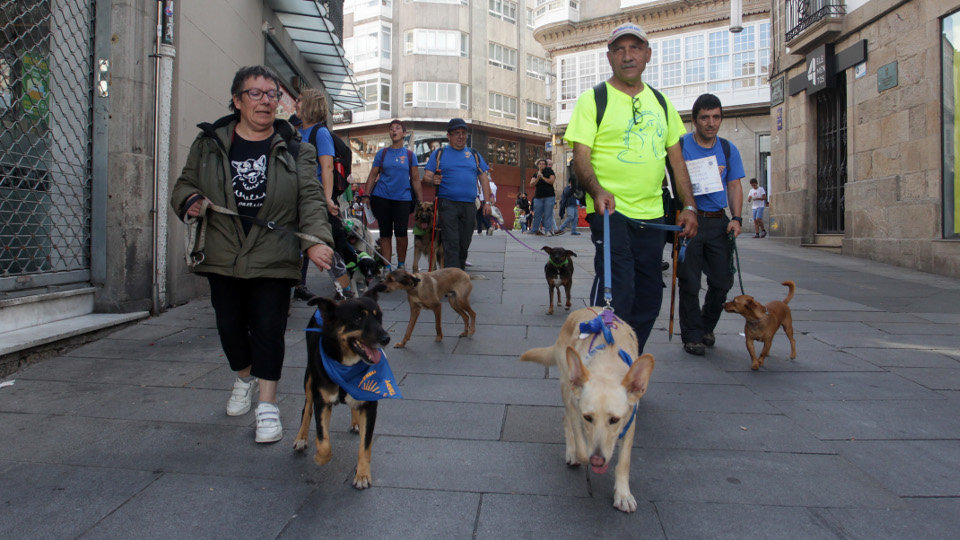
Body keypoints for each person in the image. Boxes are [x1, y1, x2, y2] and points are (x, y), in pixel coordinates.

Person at [171, 65, 334, 443]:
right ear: (237, 100)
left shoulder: (297, 149)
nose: (265, 101)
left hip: (273, 252)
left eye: (272, 95)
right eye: (256, 94)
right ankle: (244, 377)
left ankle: (267, 405)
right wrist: (190, 200)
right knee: (230, 327)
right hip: (223, 249)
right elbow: (184, 185)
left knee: (268, 328)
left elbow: (309, 199)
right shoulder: (210, 143)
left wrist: (315, 240)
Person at [563, 23, 698, 352]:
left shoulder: (662, 104)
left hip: (653, 215)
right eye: (619, 50)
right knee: (617, 292)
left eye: (635, 48)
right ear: (609, 57)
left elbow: (677, 162)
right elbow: (581, 158)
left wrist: (689, 206)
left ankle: (626, 359)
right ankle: (596, 364)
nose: (627, 56)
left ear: (647, 55)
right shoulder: (593, 99)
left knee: (650, 296)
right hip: (610, 213)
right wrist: (597, 192)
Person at [676, 93, 745, 356]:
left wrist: (737, 219)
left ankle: (706, 325)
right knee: (690, 282)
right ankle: (692, 335)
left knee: (723, 280)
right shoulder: (680, 145)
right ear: (694, 120)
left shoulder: (728, 149)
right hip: (689, 220)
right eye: (704, 117)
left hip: (718, 221)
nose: (711, 123)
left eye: (716, 117)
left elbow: (734, 185)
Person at [294, 88, 357, 300]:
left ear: (310, 105)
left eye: (300, 100)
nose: (295, 103)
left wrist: (327, 198)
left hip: (315, 200)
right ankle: (299, 285)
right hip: (296, 197)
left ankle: (346, 289)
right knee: (300, 241)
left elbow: (327, 167)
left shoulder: (319, 133)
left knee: (330, 247)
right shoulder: (296, 131)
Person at [422, 118, 493, 269]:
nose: (461, 136)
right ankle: (452, 278)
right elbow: (426, 176)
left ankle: (458, 272)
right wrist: (432, 179)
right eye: (456, 133)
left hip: (469, 204)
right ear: (449, 136)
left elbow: (484, 178)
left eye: (463, 133)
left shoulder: (473, 154)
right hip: (447, 203)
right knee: (451, 241)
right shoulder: (439, 153)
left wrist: (487, 202)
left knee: (465, 242)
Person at [364, 119, 423, 269]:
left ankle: (401, 266)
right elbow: (372, 175)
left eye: (397, 128)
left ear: (404, 133)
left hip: (403, 199)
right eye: (391, 129)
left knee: (401, 233)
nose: (394, 131)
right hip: (382, 197)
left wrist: (421, 202)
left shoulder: (410, 156)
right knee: (385, 233)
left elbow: (416, 179)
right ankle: (387, 267)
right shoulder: (382, 154)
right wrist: (366, 194)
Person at [528, 158, 557, 235]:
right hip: (538, 197)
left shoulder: (550, 172)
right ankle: (534, 230)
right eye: (540, 164)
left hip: (549, 196)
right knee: (537, 214)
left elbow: (551, 181)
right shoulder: (536, 174)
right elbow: (531, 184)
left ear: (546, 165)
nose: (541, 165)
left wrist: (543, 177)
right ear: (537, 165)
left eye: (543, 164)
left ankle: (547, 230)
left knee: (548, 214)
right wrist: (538, 177)